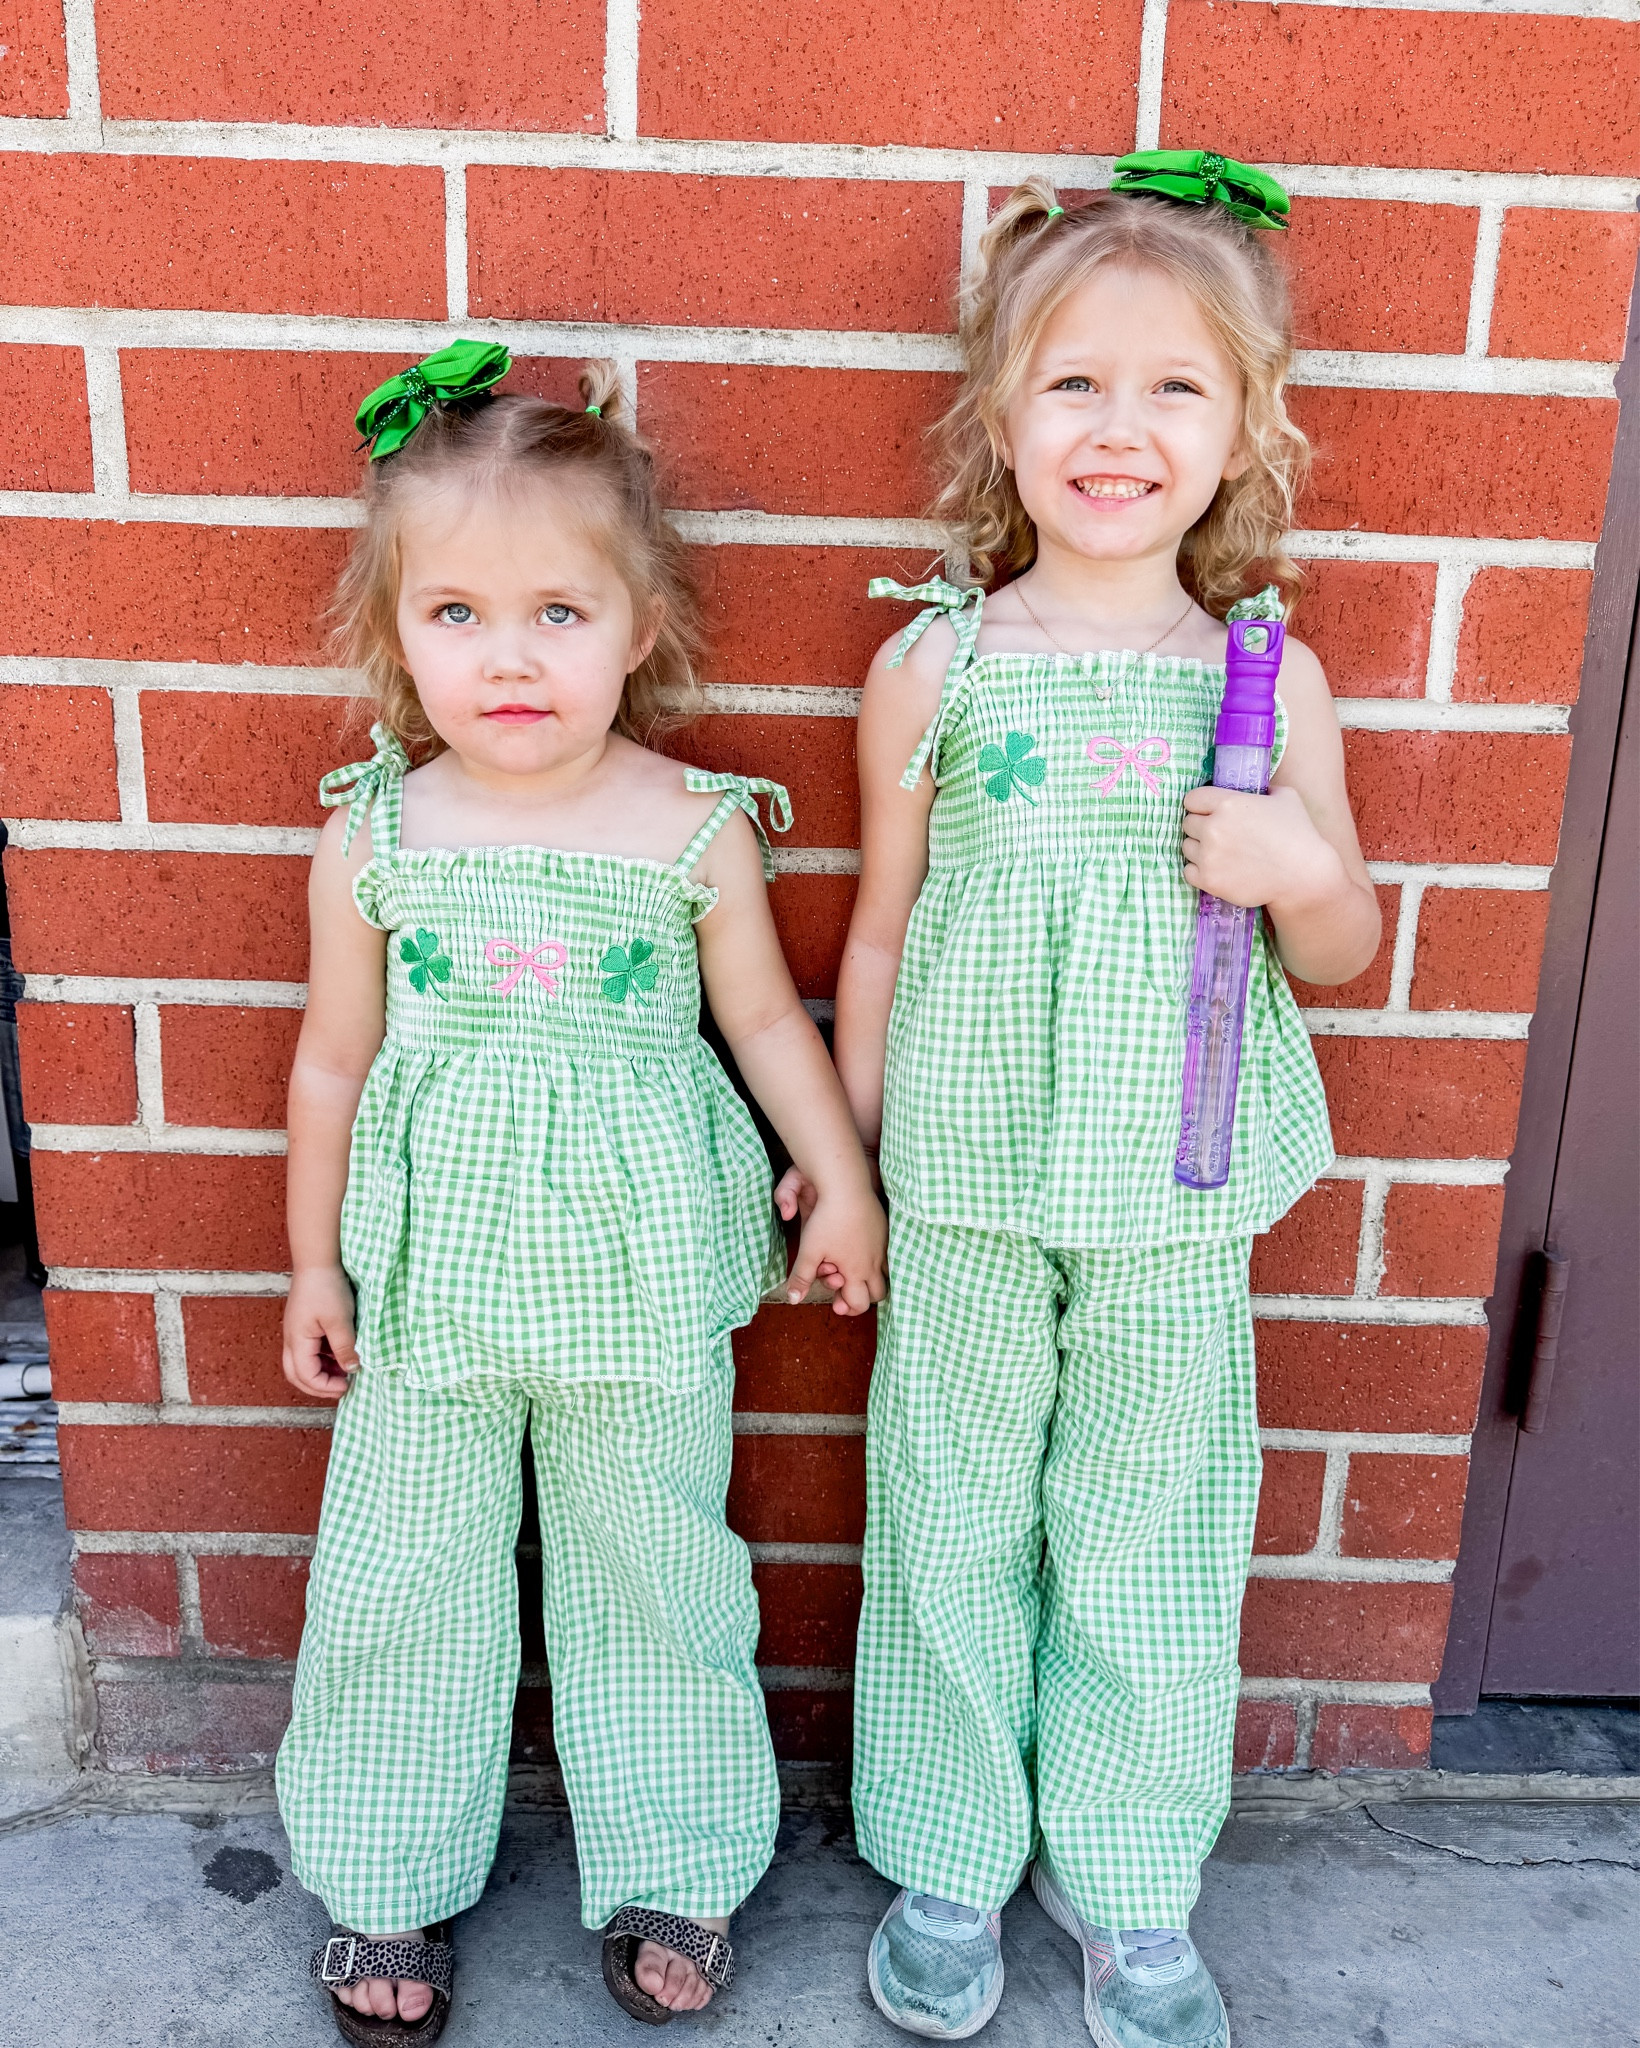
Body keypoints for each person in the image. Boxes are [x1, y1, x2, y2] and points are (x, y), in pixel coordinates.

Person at [819, 152, 1381, 2043]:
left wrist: (1292, 869)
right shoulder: (938, 668)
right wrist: (855, 1168)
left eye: (1172, 388)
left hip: (1172, 1193)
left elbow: (1351, 950)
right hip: (970, 1185)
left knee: (1147, 1526)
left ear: (1243, 427)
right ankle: (954, 1852)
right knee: (955, 1512)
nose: (1118, 429)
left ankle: (1132, 1881)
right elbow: (882, 938)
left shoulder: (1266, 678)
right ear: (1000, 414)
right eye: (1072, 382)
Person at [273, 344, 887, 2042]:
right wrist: (310, 1271)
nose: (510, 657)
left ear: (640, 626)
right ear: (397, 636)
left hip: (642, 1287)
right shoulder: (375, 836)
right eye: (455, 614)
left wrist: (839, 1184)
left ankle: (672, 1859)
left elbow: (767, 1019)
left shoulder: (693, 828)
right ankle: (386, 1874)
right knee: (407, 1573)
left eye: (559, 611)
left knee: (654, 1574)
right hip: (432, 1296)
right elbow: (330, 1063)